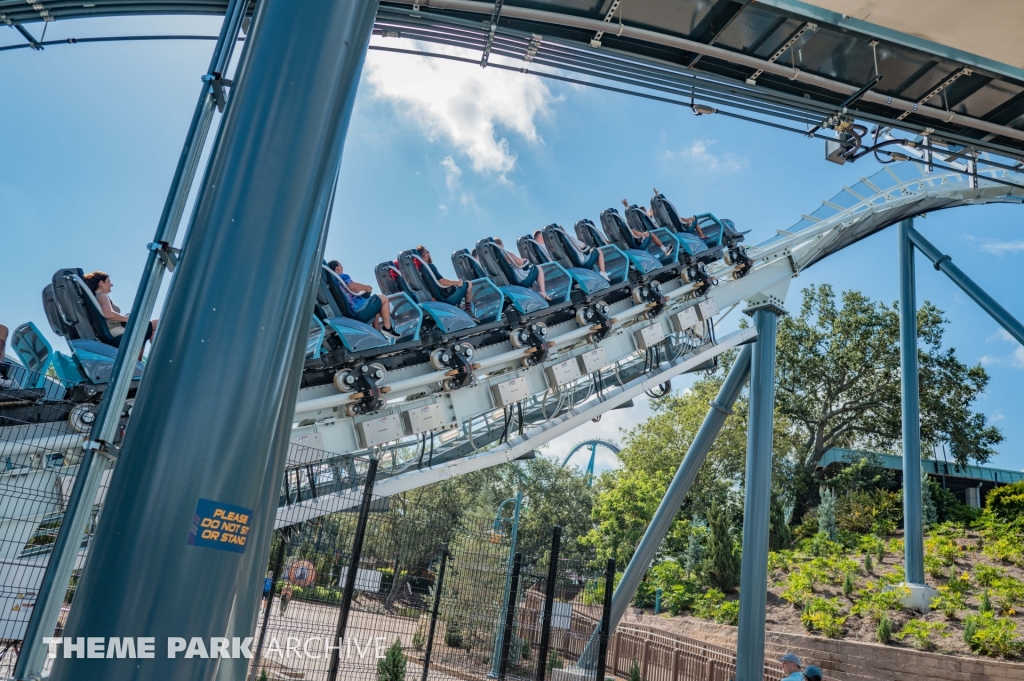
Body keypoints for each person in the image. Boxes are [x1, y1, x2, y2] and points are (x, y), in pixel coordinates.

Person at [82, 271, 158, 359]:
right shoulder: (102, 296)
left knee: (152, 331)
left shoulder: (96, 297)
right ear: (101, 283)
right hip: (115, 330)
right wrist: (130, 319)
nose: (111, 284)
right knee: (157, 323)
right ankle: (143, 361)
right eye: (109, 281)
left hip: (116, 329)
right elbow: (109, 314)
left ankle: (145, 361)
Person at [326, 260, 399, 339]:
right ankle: (387, 328)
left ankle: (377, 332)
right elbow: (352, 286)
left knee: (376, 310)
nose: (342, 267)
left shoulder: (333, 283)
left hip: (351, 312)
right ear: (337, 268)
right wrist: (366, 287)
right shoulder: (342, 276)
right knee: (383, 299)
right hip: (359, 308)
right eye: (340, 265)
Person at [534, 230, 609, 281]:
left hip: (563, 271)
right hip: (581, 264)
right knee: (597, 251)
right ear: (540, 237)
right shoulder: (567, 238)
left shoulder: (540, 251)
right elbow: (583, 246)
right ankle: (603, 273)